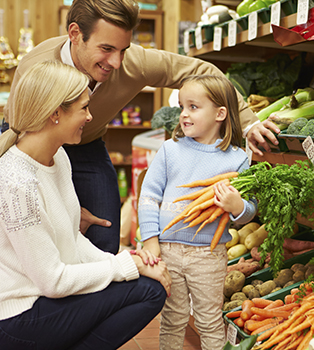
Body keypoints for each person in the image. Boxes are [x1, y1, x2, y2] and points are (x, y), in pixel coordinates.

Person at [1, 0, 280, 255]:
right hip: (28, 144)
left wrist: (249, 123)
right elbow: (22, 151)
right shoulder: (36, 68)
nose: (117, 62)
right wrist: (66, 208)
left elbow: (204, 72)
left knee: (105, 229)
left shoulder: (133, 62)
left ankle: (99, 306)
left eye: (123, 49)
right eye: (106, 49)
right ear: (75, 34)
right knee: (37, 229)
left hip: (87, 144)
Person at [0, 60, 171, 350]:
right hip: (18, 318)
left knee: (149, 287)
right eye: (83, 108)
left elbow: (72, 239)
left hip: (43, 300)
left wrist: (132, 261)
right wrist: (126, 266)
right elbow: (53, 281)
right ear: (55, 114)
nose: (90, 117)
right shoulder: (17, 182)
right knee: (148, 291)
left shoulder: (59, 157)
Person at [138, 74, 258, 350]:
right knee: (172, 318)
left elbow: (250, 210)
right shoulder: (170, 150)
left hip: (209, 255)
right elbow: (149, 195)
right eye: (182, 107)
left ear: (220, 113)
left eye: (193, 107)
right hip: (167, 250)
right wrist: (151, 241)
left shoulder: (239, 159)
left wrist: (237, 207)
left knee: (209, 321)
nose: (184, 115)